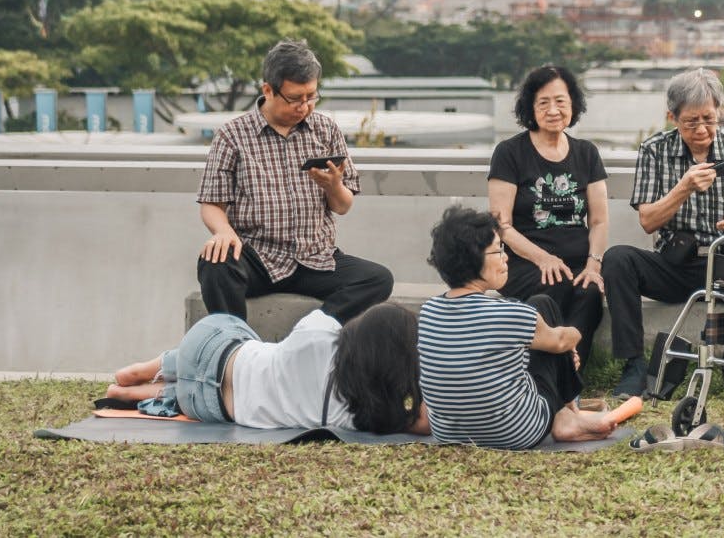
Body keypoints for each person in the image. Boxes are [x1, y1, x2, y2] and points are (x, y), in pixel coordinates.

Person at [196, 39, 393, 324]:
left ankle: (310, 332)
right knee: (215, 262)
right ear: (268, 90)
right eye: (295, 98)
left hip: (315, 258)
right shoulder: (232, 135)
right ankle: (235, 346)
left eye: (311, 96)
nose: (304, 106)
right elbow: (212, 203)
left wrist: (333, 186)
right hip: (257, 257)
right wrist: (223, 230)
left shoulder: (325, 130)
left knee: (378, 279)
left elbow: (342, 206)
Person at [603, 69, 724, 398]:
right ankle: (634, 366)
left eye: (709, 118)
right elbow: (648, 220)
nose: (702, 130)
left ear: (719, 111)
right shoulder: (655, 151)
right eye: (691, 122)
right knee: (618, 260)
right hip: (678, 264)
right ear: (672, 117)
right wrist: (684, 187)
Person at [419, 205, 620, 450]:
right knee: (543, 304)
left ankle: (569, 415)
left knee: (540, 332)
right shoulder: (511, 313)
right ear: (474, 260)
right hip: (515, 432)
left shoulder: (428, 312)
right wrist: (572, 341)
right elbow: (560, 341)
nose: (505, 258)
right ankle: (567, 417)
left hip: (448, 434)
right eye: (497, 251)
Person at [106, 302, 429, 434]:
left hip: (209, 348)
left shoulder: (318, 335)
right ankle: (135, 392)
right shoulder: (359, 418)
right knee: (191, 392)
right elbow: (427, 423)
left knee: (242, 335)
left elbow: (319, 323)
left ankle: (146, 368)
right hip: (207, 406)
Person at [488, 65, 607, 369]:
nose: (553, 110)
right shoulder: (510, 152)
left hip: (577, 262)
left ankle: (571, 368)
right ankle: (555, 367)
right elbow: (502, 225)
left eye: (561, 101)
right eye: (543, 102)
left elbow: (598, 220)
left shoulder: (587, 153)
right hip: (526, 263)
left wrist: (594, 264)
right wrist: (543, 258)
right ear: (530, 107)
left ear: (573, 105)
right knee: (555, 285)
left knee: (590, 292)